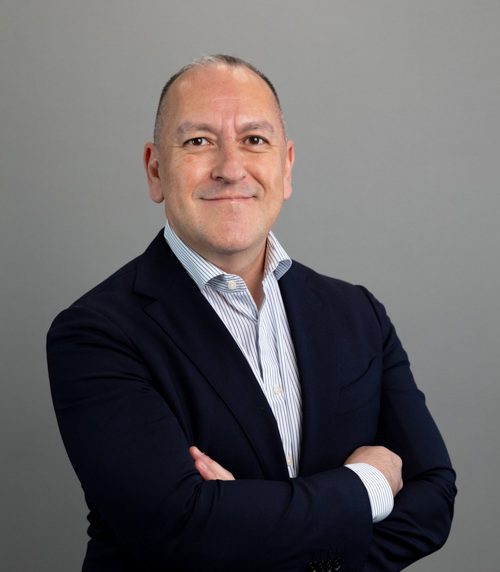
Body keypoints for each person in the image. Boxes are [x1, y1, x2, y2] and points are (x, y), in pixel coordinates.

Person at [47, 55, 456, 571]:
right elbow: (181, 527)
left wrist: (243, 523)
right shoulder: (95, 333)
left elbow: (432, 498)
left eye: (254, 140)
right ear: (155, 170)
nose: (231, 168)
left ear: (286, 167)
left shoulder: (357, 314)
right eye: (199, 141)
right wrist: (366, 484)